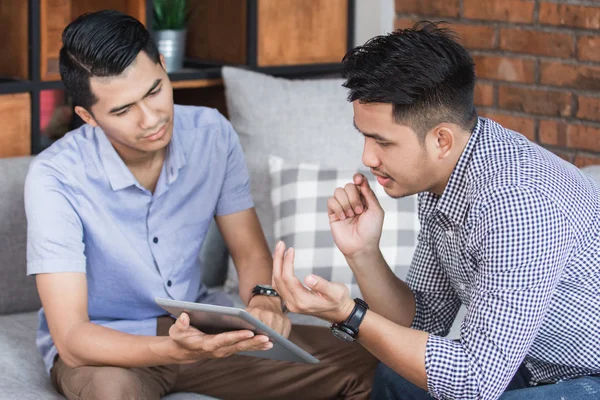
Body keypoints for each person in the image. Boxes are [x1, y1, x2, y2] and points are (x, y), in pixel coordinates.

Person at [25, 10, 377, 400]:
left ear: (162, 67)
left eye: (154, 91)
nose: (151, 119)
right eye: (123, 111)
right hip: (108, 348)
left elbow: (249, 255)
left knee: (367, 363)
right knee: (113, 393)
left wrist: (264, 298)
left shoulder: (211, 135)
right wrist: (174, 349)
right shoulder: (54, 176)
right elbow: (72, 337)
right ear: (87, 116)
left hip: (204, 330)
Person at [272, 22, 600, 400]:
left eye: (383, 142)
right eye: (364, 136)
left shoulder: (516, 202)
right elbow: (424, 321)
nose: (367, 157)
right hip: (532, 364)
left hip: (587, 374)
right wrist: (363, 253)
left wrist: (349, 315)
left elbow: (474, 383)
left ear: (441, 139)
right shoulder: (446, 174)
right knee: (395, 379)